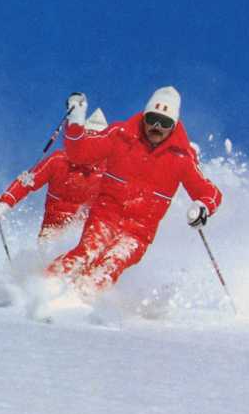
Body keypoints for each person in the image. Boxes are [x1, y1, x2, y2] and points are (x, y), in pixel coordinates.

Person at [47, 86, 222, 295]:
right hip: (105, 217)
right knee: (86, 253)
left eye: (165, 123)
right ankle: (42, 285)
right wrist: (76, 121)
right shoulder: (120, 135)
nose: (156, 127)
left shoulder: (182, 157)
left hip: (138, 233)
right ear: (144, 116)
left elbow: (210, 193)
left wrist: (203, 207)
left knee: (110, 265)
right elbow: (79, 154)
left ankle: (82, 299)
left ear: (174, 125)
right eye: (152, 119)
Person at [0, 97, 108, 241]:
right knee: (50, 246)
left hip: (85, 235)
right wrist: (5, 202)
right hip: (52, 230)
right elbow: (28, 181)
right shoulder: (58, 160)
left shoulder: (108, 172)